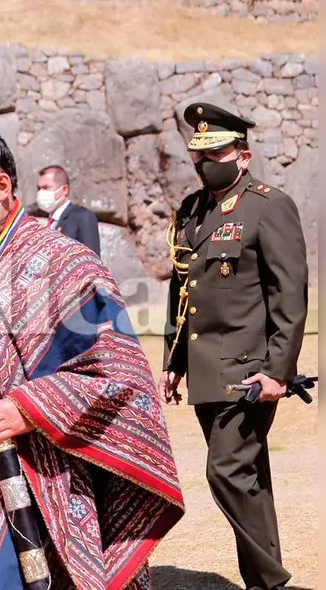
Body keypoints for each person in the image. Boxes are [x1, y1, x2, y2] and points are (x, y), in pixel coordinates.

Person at [0, 126, 185, 589]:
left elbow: (120, 377)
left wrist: (28, 408)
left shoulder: (65, 265)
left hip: (38, 482)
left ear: (1, 186)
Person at [161, 102, 308, 590]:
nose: (205, 163)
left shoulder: (268, 205)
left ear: (243, 155)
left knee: (226, 471)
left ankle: (270, 579)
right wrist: (174, 358)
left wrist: (279, 372)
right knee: (248, 475)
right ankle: (262, 582)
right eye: (199, 154)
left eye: (216, 153)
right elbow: (182, 289)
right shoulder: (191, 210)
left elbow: (288, 295)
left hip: (249, 370)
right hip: (206, 367)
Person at [35, 165, 101, 255]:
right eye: (39, 188)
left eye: (46, 187)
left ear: (64, 190)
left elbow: (92, 258)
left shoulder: (82, 217)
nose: (41, 192)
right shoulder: (48, 224)